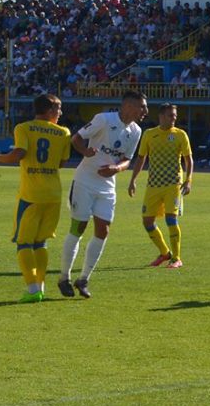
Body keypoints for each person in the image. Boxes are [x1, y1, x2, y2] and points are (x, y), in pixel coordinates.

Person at [0, 93, 74, 302]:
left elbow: (18, 154)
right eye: (58, 109)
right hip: (54, 195)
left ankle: (32, 289)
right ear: (49, 111)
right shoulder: (64, 132)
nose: (60, 113)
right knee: (41, 243)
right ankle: (40, 287)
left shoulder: (23, 128)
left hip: (31, 194)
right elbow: (61, 163)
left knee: (24, 243)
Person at [57, 91, 147, 298]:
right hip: (85, 181)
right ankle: (64, 277)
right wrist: (85, 151)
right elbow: (76, 138)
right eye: (142, 106)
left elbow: (127, 159)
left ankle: (84, 279)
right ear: (128, 106)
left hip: (107, 185)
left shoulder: (136, 130)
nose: (145, 111)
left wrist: (116, 168)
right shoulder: (104, 119)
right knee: (78, 227)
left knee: (103, 230)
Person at [128, 103, 193, 269]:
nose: (173, 119)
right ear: (161, 116)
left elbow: (188, 159)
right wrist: (133, 179)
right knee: (147, 221)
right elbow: (141, 158)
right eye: (170, 115)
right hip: (154, 184)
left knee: (171, 219)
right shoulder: (149, 134)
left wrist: (188, 179)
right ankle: (165, 253)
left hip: (174, 183)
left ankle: (176, 258)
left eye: (175, 116)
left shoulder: (180, 134)